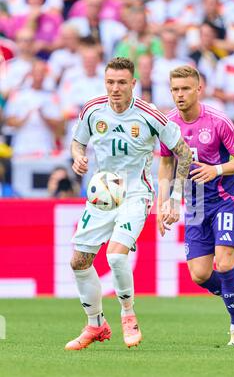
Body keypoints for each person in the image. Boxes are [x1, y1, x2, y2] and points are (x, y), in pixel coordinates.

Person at [65, 57, 192, 351]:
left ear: (133, 84)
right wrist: (77, 157)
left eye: (122, 82)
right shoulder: (92, 109)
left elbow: (184, 154)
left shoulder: (150, 115)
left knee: (116, 256)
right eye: (110, 82)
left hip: (136, 192)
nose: (115, 88)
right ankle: (95, 324)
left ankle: (128, 315)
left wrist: (174, 198)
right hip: (103, 193)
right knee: (78, 262)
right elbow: (77, 141)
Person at [158, 65, 234, 347]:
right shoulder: (168, 124)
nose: (180, 95)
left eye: (185, 88)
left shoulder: (218, 121)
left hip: (224, 200)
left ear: (199, 89)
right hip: (195, 206)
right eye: (175, 89)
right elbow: (166, 163)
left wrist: (217, 169)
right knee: (199, 274)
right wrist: (164, 202)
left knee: (224, 263)